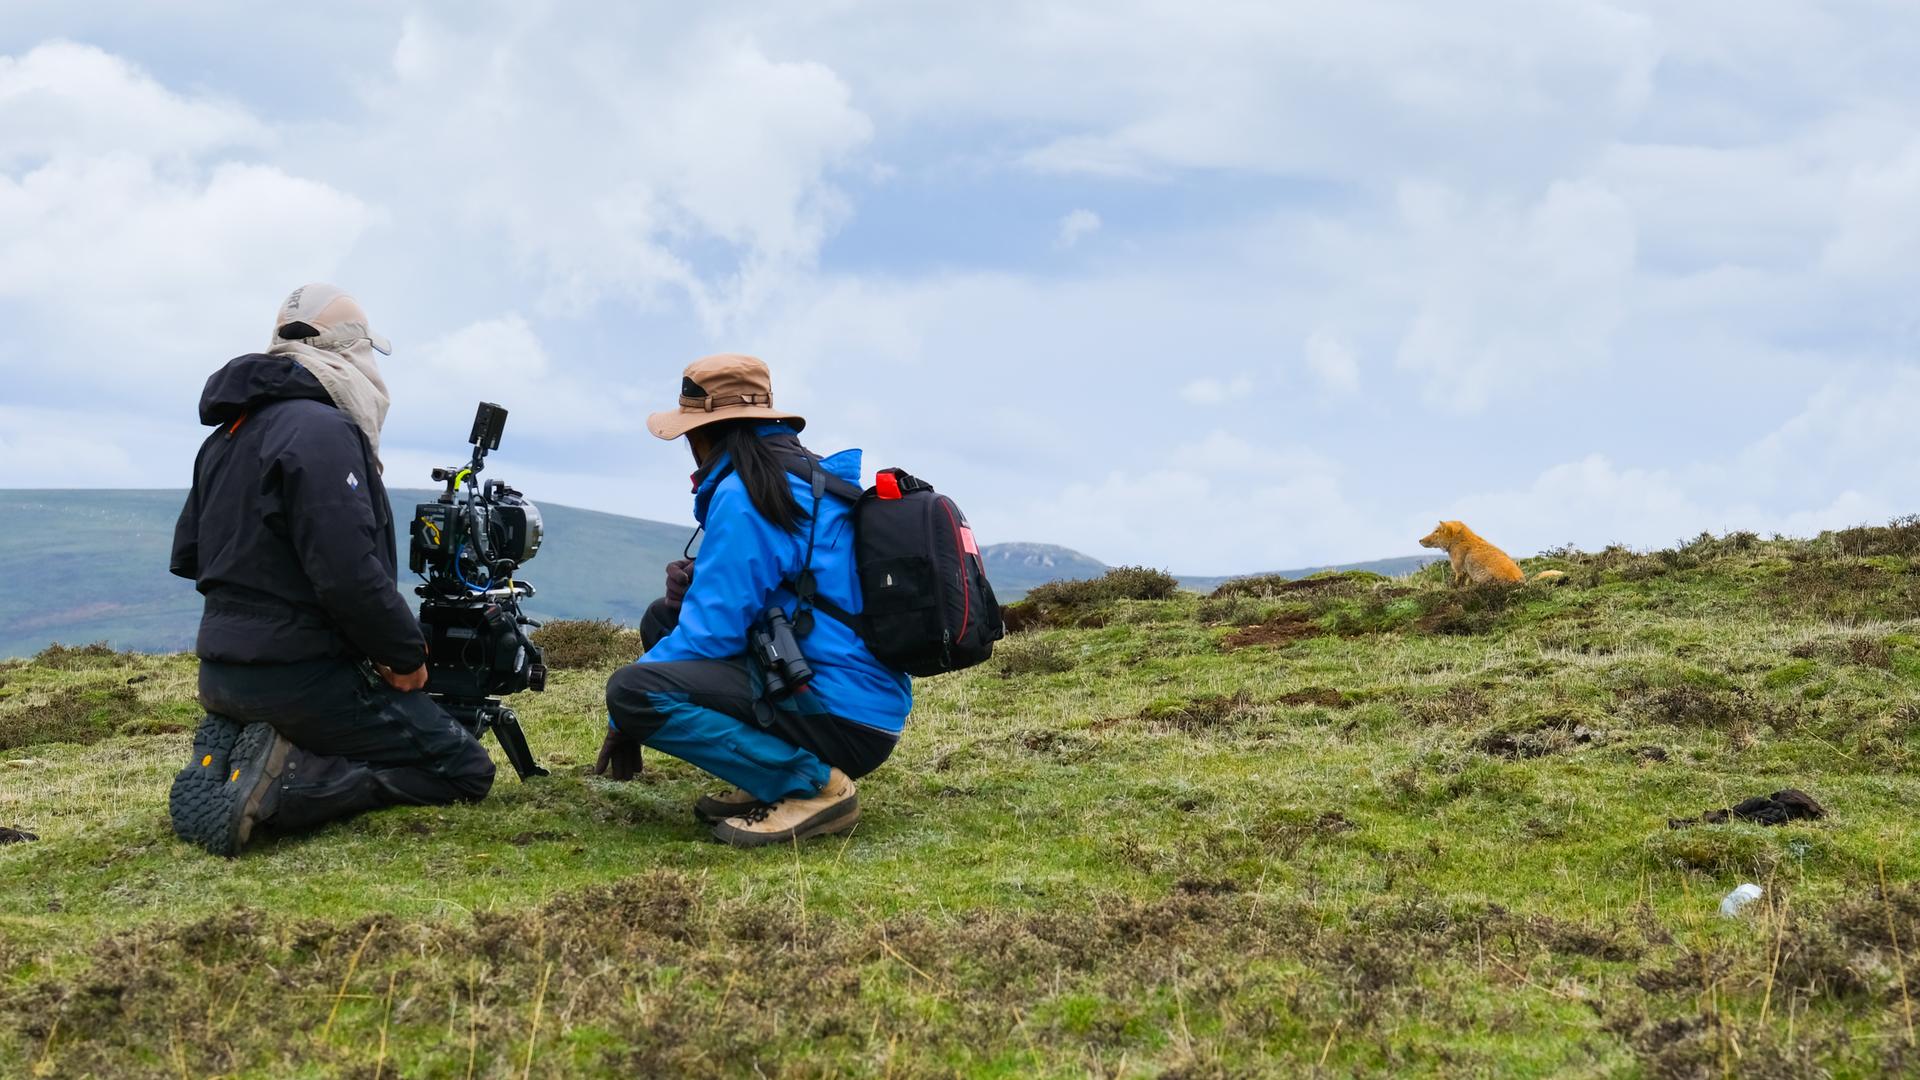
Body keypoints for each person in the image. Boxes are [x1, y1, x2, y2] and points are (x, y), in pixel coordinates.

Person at [166, 284, 494, 857]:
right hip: (298, 676)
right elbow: (348, 574)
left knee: (352, 719)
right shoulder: (321, 431)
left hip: (219, 673)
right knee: (464, 769)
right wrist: (403, 655)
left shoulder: (226, 436)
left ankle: (239, 744)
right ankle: (285, 783)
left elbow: (191, 556)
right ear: (349, 351)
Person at [597, 354, 910, 847]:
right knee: (664, 618)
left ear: (705, 433)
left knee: (634, 691)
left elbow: (711, 636)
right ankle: (767, 772)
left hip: (840, 713)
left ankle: (812, 786)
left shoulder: (747, 494)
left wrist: (624, 718)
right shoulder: (800, 476)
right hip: (861, 702)